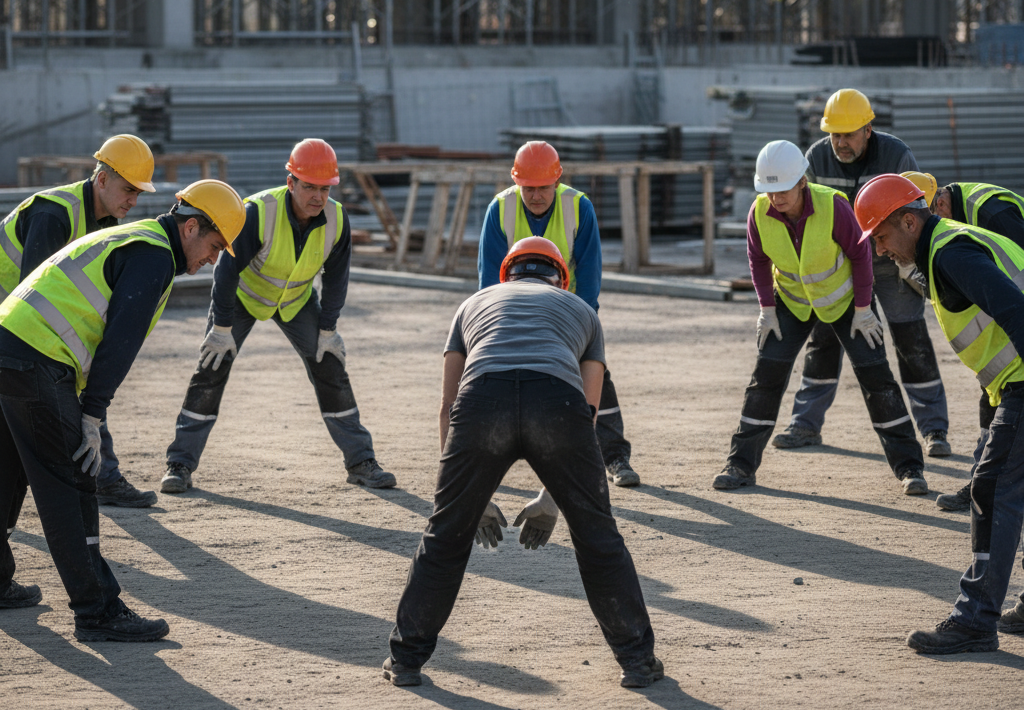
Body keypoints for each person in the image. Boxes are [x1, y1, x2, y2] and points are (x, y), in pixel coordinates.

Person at [383, 237, 662, 689]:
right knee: (597, 538)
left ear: (507, 274)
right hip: (557, 405)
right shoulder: (581, 311)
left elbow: (447, 404)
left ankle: (406, 661)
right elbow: (589, 413)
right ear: (560, 277)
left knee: (444, 537)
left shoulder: (474, 303)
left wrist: (469, 499)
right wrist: (553, 500)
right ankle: (637, 662)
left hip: (482, 404)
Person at [0, 179, 244, 640]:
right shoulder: (153, 257)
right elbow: (120, 342)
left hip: (9, 346)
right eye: (214, 245)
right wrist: (92, 415)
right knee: (72, 480)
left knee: (8, 470)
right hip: (36, 358)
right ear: (190, 227)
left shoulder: (138, 238)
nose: (213, 259)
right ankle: (97, 611)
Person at [161, 139, 395, 493]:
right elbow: (226, 272)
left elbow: (337, 278)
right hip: (244, 298)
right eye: (308, 187)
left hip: (296, 301)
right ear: (291, 183)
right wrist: (222, 327)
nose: (317, 197)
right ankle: (179, 464)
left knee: (330, 367)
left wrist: (328, 329)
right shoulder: (258, 212)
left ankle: (361, 462)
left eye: (324, 189)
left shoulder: (337, 220)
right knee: (211, 369)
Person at [853, 173, 1024, 653]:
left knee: (991, 490)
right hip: (1011, 384)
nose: (881, 250)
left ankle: (974, 620)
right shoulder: (942, 249)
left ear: (910, 221)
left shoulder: (951, 251)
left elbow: (1016, 311)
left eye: (883, 237)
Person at [714, 140, 925, 494]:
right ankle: (739, 465)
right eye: (768, 191)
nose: (775, 198)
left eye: (782, 190)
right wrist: (766, 307)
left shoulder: (833, 207)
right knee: (764, 378)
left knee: (878, 380)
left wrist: (862, 309)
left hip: (846, 303)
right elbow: (758, 259)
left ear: (801, 182)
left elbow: (861, 257)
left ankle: (910, 469)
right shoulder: (758, 213)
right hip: (792, 304)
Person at [772, 89, 951, 459]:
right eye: (834, 134)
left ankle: (934, 429)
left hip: (888, 262)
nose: (839, 142)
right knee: (823, 340)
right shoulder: (817, 157)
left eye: (848, 134)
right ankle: (805, 424)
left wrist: (913, 263)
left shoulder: (896, 155)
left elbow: (914, 217)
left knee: (911, 338)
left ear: (868, 129)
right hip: (837, 268)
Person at [0, 134, 161, 508]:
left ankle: (103, 475)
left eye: (139, 193)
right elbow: (32, 300)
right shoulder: (54, 215)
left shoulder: (105, 221)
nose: (133, 201)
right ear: (101, 179)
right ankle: (103, 477)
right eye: (128, 190)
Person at [477, 140, 640, 487]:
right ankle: (487, 464)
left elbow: (591, 270)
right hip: (514, 310)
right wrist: (493, 328)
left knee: (595, 376)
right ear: (517, 183)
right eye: (528, 188)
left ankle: (615, 456)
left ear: (557, 182)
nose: (536, 196)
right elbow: (488, 280)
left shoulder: (578, 206)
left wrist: (584, 325)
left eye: (543, 188)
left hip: (566, 308)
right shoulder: (500, 209)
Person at [903, 173, 1024, 512]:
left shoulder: (989, 213)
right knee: (994, 394)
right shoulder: (953, 225)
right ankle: (980, 483)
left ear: (939, 205)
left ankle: (983, 485)